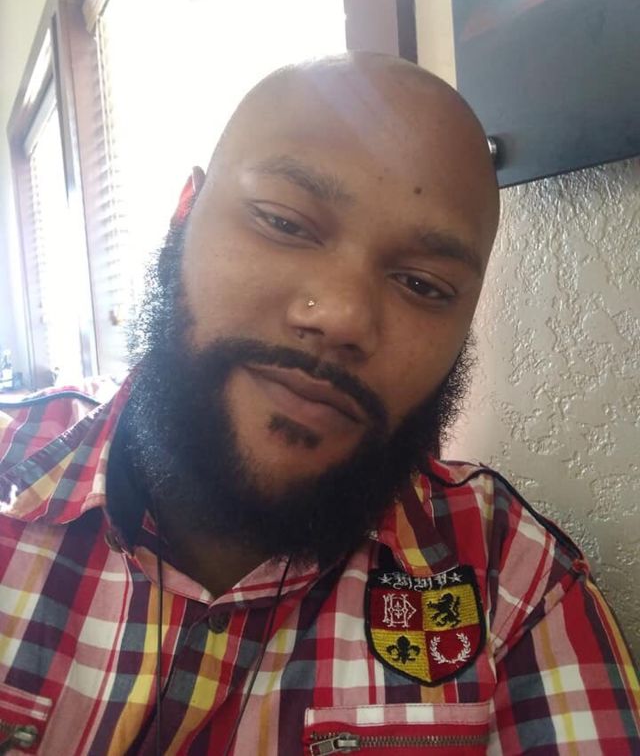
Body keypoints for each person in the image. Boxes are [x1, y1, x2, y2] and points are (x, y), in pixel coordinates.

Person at [0, 53, 637, 755]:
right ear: (185, 213)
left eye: (423, 285)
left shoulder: (514, 584)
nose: (341, 316)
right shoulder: (12, 483)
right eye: (285, 222)